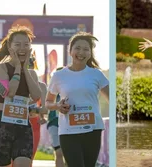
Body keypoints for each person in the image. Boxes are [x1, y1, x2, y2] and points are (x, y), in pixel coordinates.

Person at [45, 32, 109, 167]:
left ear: (90, 53)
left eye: (86, 49)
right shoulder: (58, 76)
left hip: (92, 129)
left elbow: (112, 99)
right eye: (77, 48)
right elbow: (48, 102)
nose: (81, 52)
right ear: (70, 51)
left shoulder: (96, 74)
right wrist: (58, 106)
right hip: (68, 131)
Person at [0, 25, 42, 167]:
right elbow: (8, 93)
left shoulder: (32, 73)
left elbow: (36, 96)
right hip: (0, 125)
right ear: (9, 47)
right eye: (18, 45)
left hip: (22, 126)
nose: (22, 48)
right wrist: (18, 68)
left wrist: (25, 69)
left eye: (26, 44)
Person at [46, 67, 65, 167]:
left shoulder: (68, 88)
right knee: (59, 152)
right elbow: (46, 103)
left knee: (69, 153)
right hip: (54, 123)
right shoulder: (51, 90)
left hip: (68, 124)